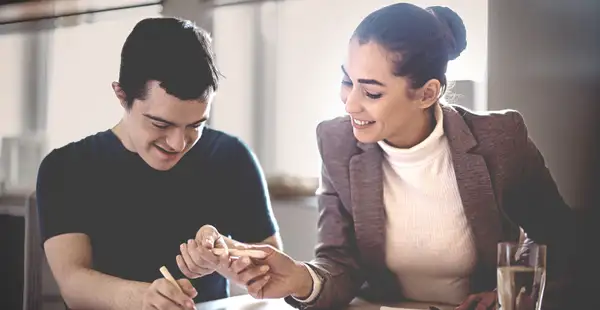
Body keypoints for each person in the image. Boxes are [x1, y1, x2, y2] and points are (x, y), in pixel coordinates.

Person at [212, 3, 576, 310]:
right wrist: (300, 278)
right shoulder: (336, 141)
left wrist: (510, 293)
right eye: (346, 80)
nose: (350, 103)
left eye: (371, 92)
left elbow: (558, 239)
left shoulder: (500, 139)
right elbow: (340, 263)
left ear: (427, 93)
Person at [36, 17, 281, 310]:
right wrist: (143, 298)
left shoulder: (231, 157)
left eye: (196, 125)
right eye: (160, 124)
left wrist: (227, 260)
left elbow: (271, 269)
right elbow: (73, 282)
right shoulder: (67, 169)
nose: (178, 143)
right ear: (121, 95)